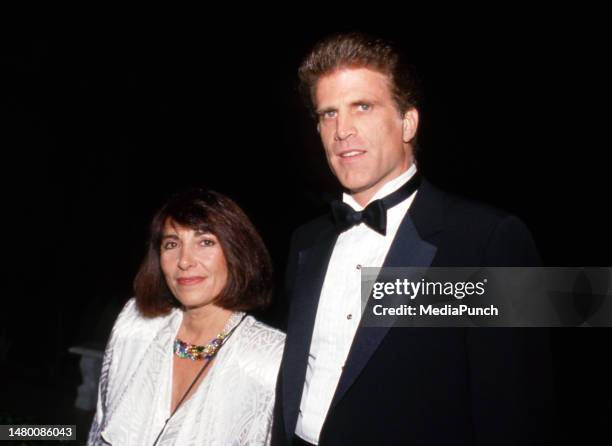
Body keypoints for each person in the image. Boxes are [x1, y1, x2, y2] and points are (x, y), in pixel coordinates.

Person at [272, 33, 554, 445]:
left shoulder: (488, 241)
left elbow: (519, 415)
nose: (342, 130)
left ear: (408, 122)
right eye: (328, 114)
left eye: (362, 107)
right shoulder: (306, 242)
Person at [88, 188, 285, 445]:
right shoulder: (135, 325)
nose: (184, 261)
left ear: (236, 252)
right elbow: (100, 425)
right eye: (172, 244)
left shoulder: (269, 358)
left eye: (205, 242)